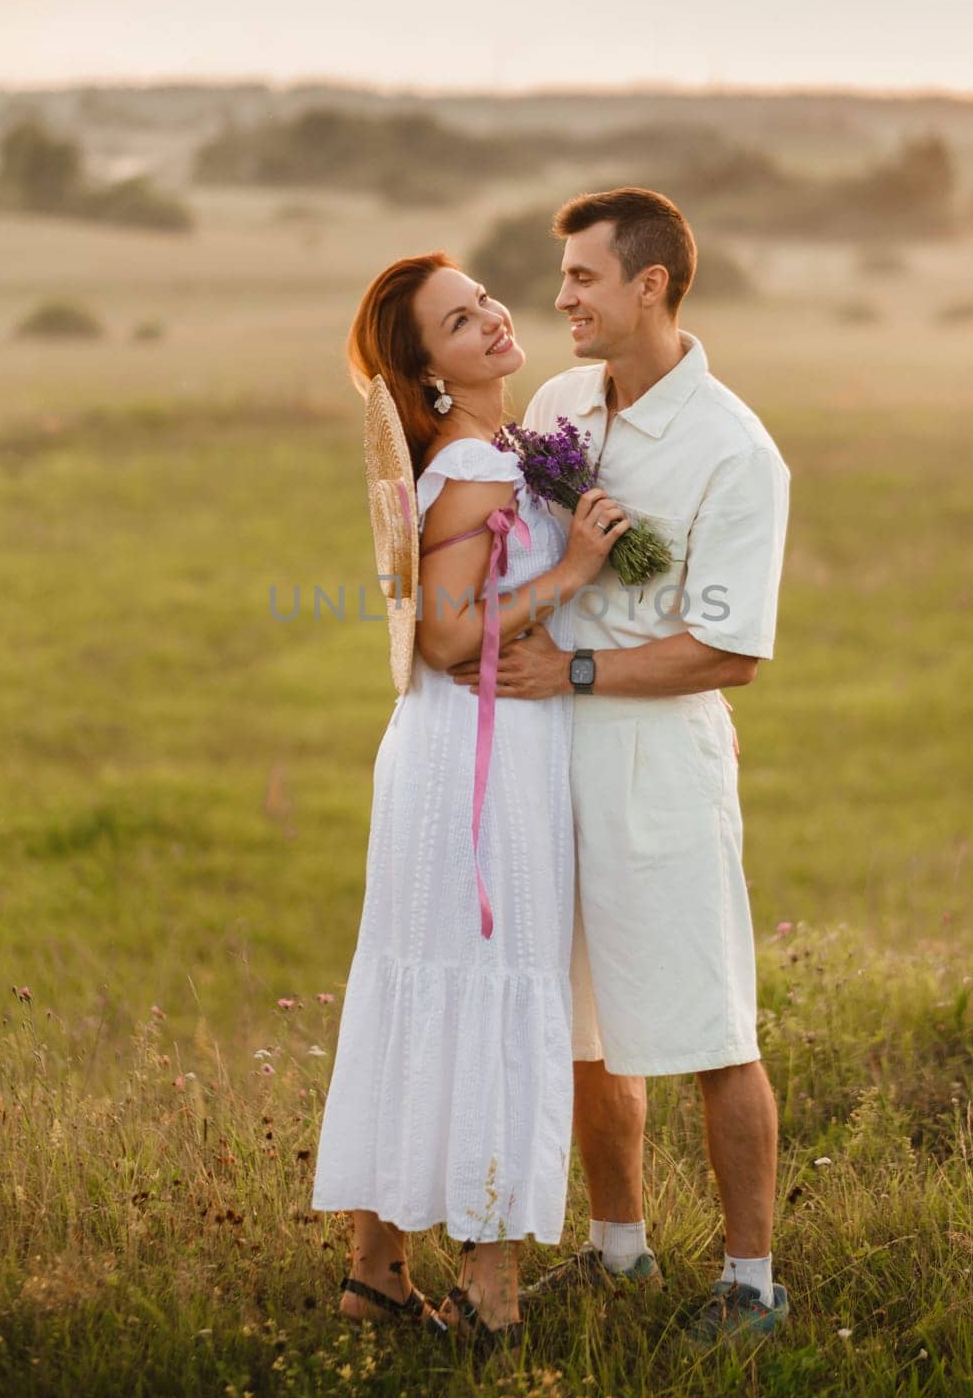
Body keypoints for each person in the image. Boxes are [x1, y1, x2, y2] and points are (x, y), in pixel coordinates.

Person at [449, 189, 792, 1344]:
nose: (559, 301)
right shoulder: (557, 404)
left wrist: (579, 676)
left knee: (706, 1027)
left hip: (659, 773)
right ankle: (618, 1254)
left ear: (649, 284)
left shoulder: (735, 450)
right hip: (547, 770)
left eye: (582, 279)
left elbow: (730, 651)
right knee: (588, 1030)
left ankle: (751, 1284)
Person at [311, 251, 629, 1347]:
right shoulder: (472, 465)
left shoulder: (488, 450)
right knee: (483, 986)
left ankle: (374, 1275)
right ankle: (488, 1298)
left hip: (459, 759)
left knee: (429, 989)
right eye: (459, 322)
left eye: (483, 297)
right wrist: (574, 570)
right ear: (431, 370)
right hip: (479, 768)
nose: (492, 318)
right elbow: (449, 638)